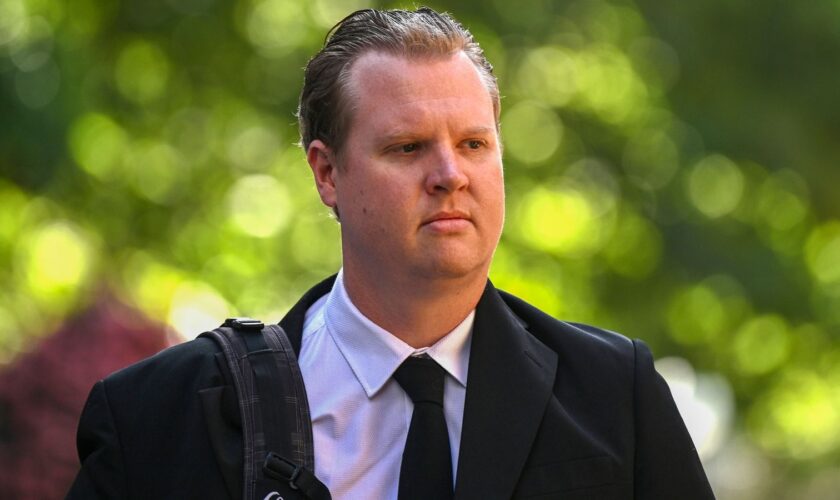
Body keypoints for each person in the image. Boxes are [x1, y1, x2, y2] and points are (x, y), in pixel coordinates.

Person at [67, 7, 715, 500]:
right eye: (408, 147)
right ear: (327, 174)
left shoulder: (613, 395)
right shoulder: (156, 418)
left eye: (472, 145)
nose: (449, 175)